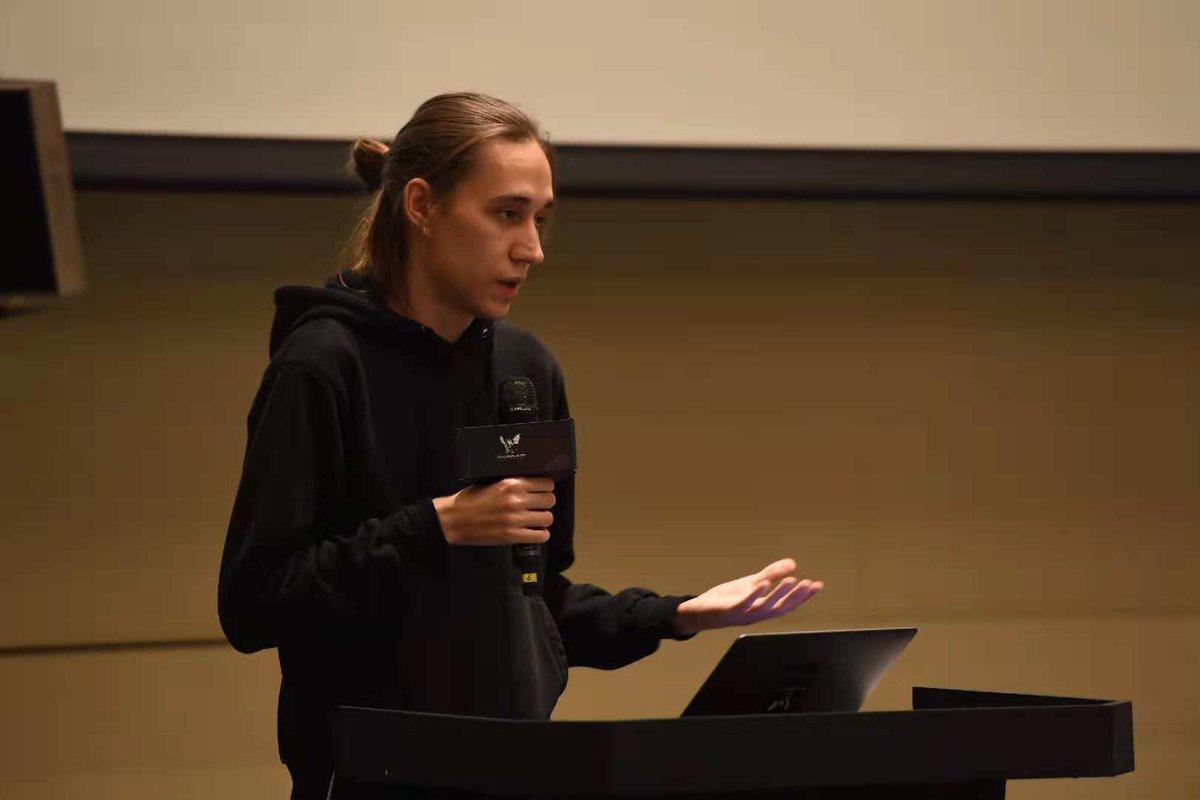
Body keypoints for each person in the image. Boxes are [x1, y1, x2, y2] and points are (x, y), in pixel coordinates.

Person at [217, 92, 824, 799]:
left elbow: (534, 600)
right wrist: (435, 527)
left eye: (540, 218)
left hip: (514, 770)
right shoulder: (322, 364)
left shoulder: (525, 370)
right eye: (507, 214)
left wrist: (677, 614)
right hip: (368, 776)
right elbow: (256, 602)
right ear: (422, 205)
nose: (532, 248)